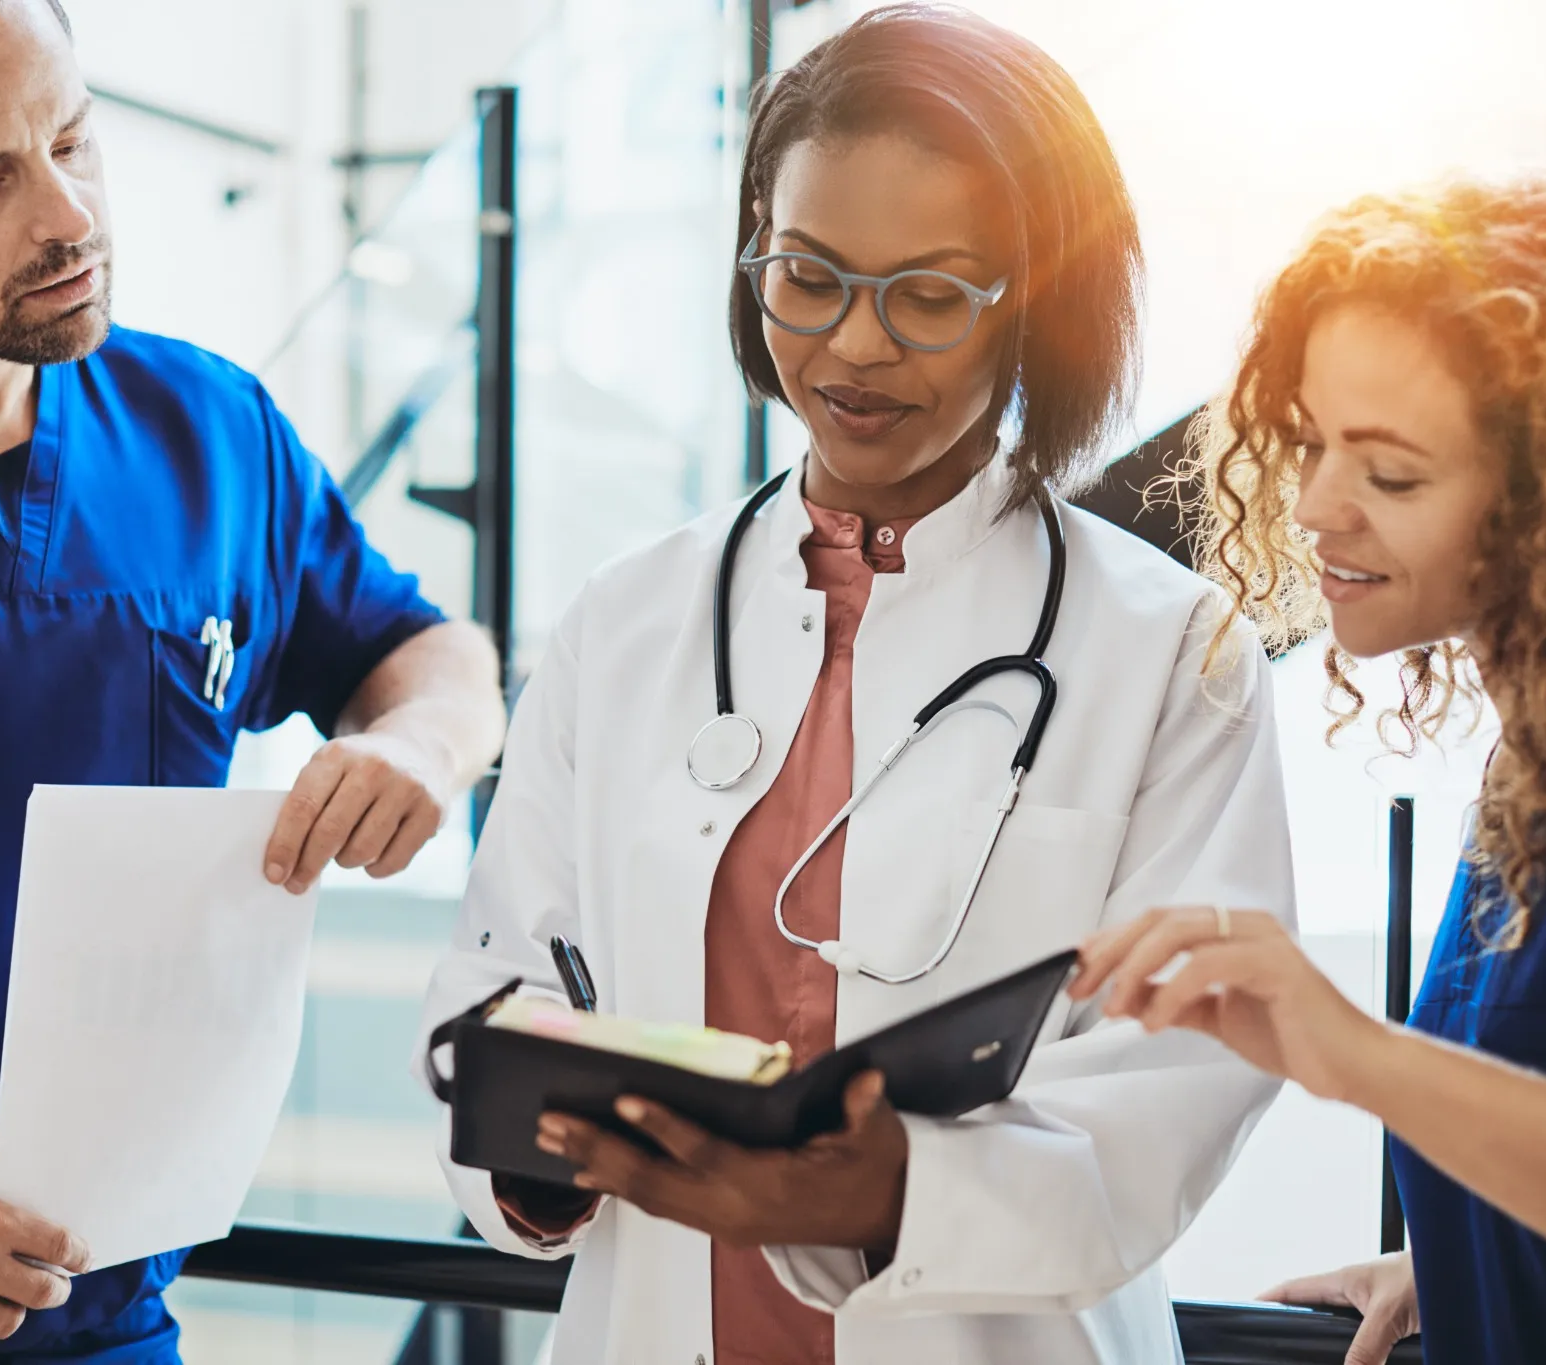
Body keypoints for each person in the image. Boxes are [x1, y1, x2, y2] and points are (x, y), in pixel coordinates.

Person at [414, 6, 1295, 1363]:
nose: (855, 347)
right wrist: (534, 1156)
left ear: (1037, 300)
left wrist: (886, 1191)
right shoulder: (623, 622)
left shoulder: (1172, 650)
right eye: (808, 276)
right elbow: (497, 976)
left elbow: (1180, 1081)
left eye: (930, 295)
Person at [0, 1, 506, 1361]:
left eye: (75, 139)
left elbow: (423, 652)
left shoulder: (207, 431)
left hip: (110, 1322)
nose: (67, 216)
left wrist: (421, 748)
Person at [1071, 164, 1546, 1365]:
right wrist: (1465, 1249)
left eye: (1388, 472)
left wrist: (1361, 1059)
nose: (1315, 508)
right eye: (1307, 445)